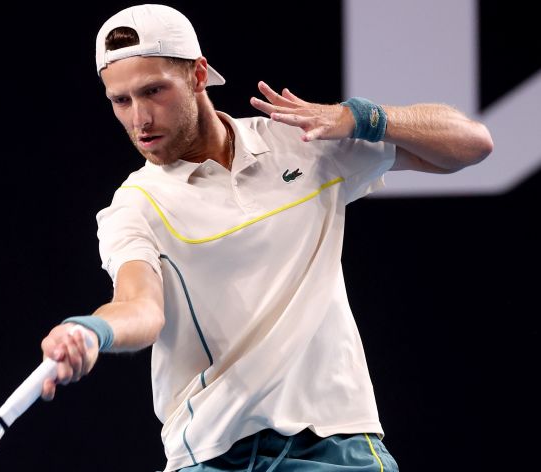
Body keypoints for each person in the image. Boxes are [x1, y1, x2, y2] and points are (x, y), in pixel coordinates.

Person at [39, 4, 492, 471]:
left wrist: (359, 117)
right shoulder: (134, 206)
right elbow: (141, 307)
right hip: (213, 454)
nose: (140, 119)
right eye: (121, 101)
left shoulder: (302, 143)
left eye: (154, 91)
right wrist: (92, 331)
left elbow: (472, 143)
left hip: (336, 444)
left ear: (198, 75)